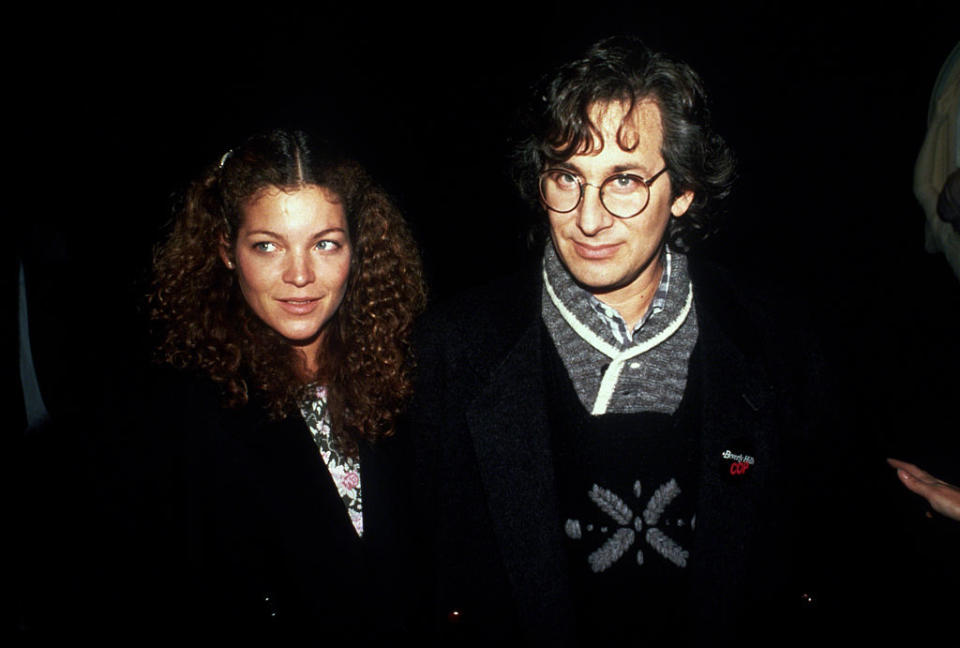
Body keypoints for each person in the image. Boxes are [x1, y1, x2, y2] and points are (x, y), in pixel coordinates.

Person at [407, 37, 879, 645]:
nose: (589, 217)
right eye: (566, 177)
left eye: (624, 180)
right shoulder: (453, 351)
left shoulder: (780, 342)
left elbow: (845, 546)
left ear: (683, 191)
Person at [139, 129, 425, 639]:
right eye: (268, 245)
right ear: (227, 250)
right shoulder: (181, 412)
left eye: (325, 244)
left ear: (358, 249)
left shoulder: (405, 372)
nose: (299, 274)